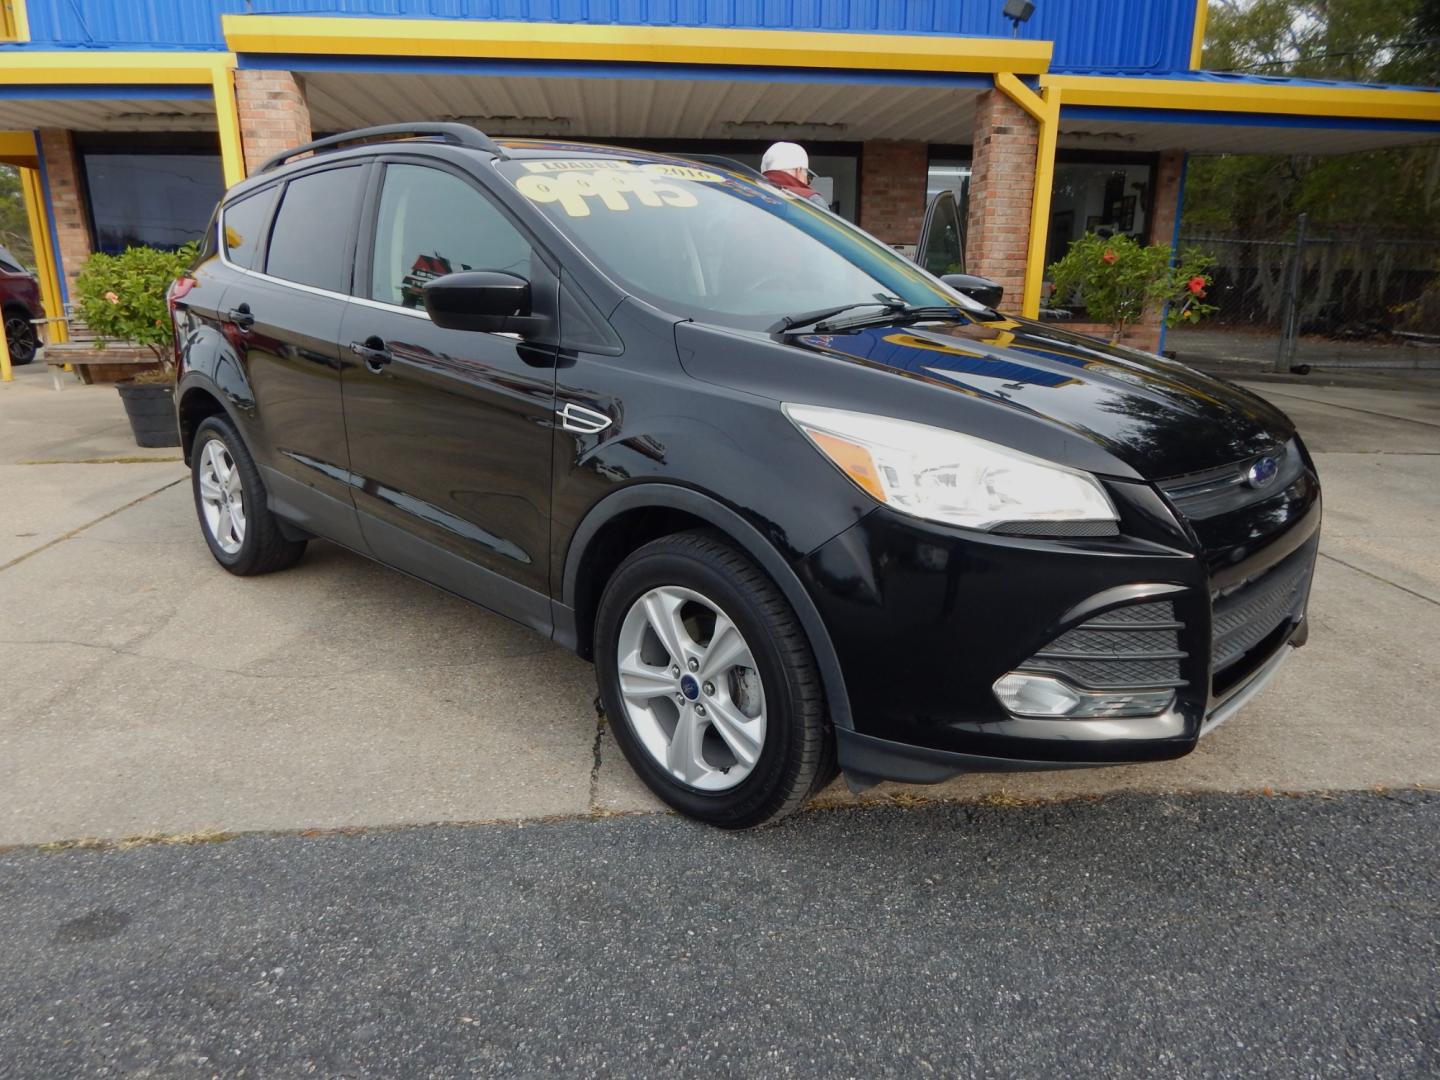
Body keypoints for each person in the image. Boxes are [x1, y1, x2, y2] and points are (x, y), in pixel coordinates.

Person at [761, 142, 829, 208]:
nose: (807, 183)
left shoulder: (754, 194)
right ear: (798, 170)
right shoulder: (812, 199)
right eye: (806, 174)